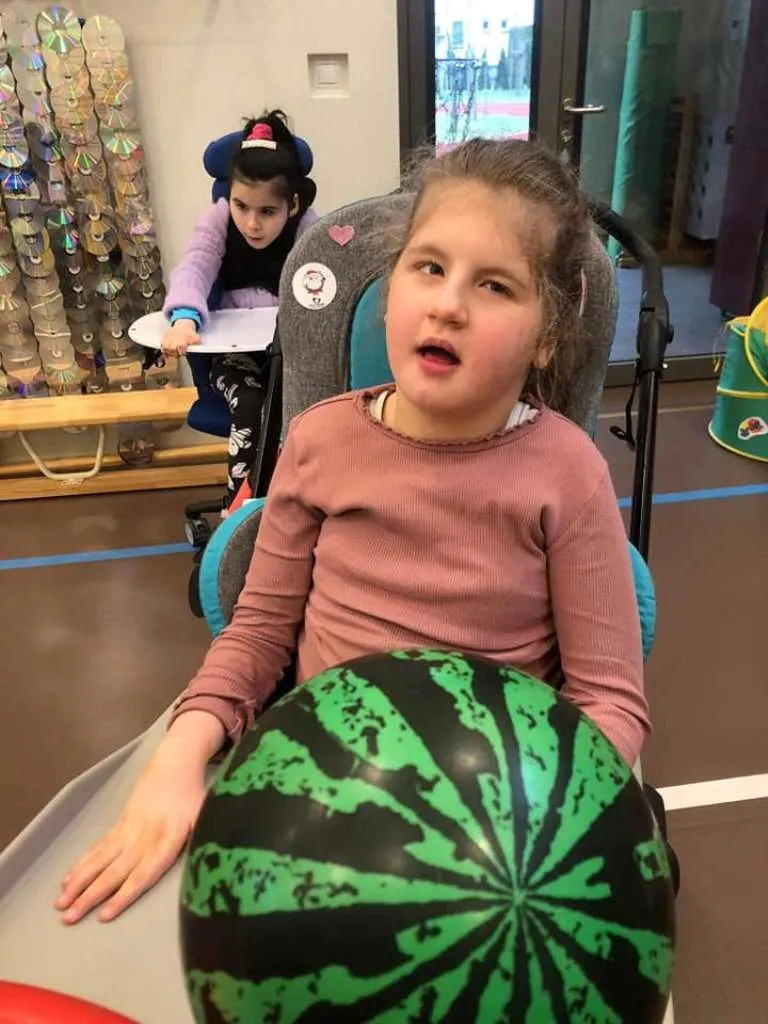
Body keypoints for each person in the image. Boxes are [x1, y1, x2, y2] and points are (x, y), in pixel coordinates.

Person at [57, 137, 649, 926]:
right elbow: (257, 636)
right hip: (321, 792)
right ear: (390, 290)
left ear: (546, 335)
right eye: (428, 267)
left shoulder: (569, 473)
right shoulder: (320, 442)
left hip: (500, 821)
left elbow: (608, 700)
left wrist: (542, 823)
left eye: (495, 285)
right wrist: (180, 753)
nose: (447, 305)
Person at [161, 109, 317, 507]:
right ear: (228, 196)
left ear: (292, 205)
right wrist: (184, 317)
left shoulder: (307, 228)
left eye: (267, 212)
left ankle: (296, 503)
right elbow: (195, 266)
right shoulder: (218, 219)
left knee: (307, 408)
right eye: (240, 206)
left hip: (286, 351)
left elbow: (323, 281)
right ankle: (240, 512)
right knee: (251, 403)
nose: (251, 224)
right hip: (233, 355)